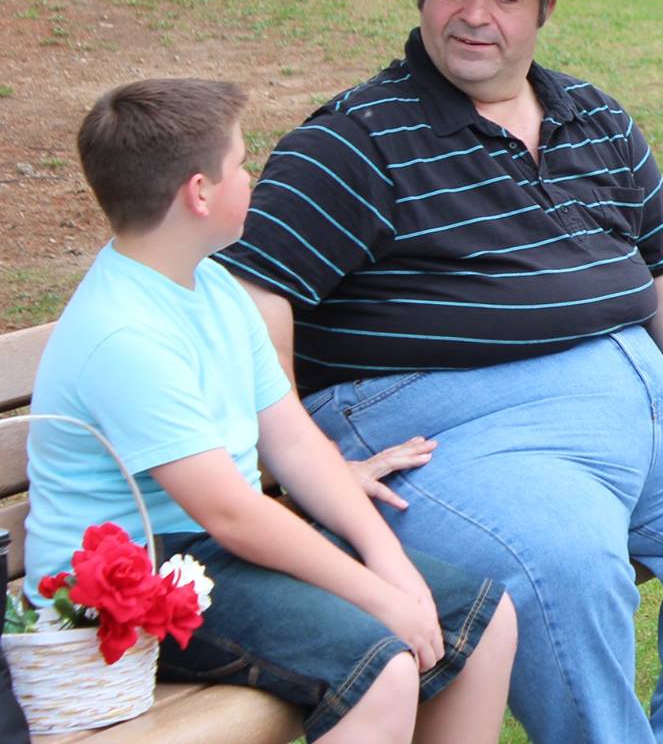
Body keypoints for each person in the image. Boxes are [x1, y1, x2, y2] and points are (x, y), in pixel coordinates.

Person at [214, 0, 663, 744]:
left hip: (643, 442)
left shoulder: (597, 120)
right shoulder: (355, 140)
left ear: (544, 5)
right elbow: (249, 297)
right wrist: (303, 468)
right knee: (562, 565)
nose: (474, 14)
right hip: (458, 439)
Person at [31, 78, 517, 743]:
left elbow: (292, 440)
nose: (253, 175)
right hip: (133, 583)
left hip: (210, 555)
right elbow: (231, 512)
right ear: (199, 193)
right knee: (381, 668)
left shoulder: (212, 287)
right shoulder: (125, 335)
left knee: (484, 618)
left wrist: (389, 560)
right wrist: (379, 597)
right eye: (240, 162)